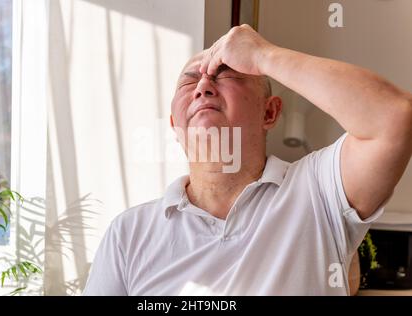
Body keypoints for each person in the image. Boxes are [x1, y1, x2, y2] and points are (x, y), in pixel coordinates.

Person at [83, 25, 412, 295]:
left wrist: (262, 54)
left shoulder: (320, 191)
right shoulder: (128, 234)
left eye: (226, 73)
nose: (203, 86)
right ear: (175, 124)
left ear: (269, 112)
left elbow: (394, 117)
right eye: (189, 79)